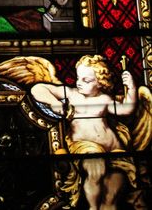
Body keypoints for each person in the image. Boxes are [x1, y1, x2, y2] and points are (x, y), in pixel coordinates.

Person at [31, 55, 138, 210]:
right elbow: (37, 89)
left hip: (113, 149)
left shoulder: (105, 99)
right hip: (85, 147)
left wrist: (132, 88)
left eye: (86, 80)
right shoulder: (71, 94)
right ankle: (92, 207)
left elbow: (127, 109)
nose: (78, 82)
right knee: (96, 168)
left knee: (117, 180)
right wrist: (54, 102)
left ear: (100, 82)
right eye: (78, 78)